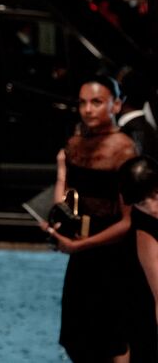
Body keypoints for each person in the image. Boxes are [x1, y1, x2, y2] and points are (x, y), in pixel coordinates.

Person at [42, 76, 138, 362]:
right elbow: (64, 198)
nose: (87, 109)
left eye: (97, 102)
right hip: (81, 250)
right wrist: (56, 221)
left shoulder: (125, 150)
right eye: (83, 102)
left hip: (113, 254)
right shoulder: (76, 142)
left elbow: (128, 222)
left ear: (116, 105)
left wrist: (80, 246)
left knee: (112, 339)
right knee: (76, 337)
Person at [120, 155, 158, 361]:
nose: (152, 208)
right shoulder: (145, 229)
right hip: (140, 302)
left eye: (156, 196)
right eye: (142, 203)